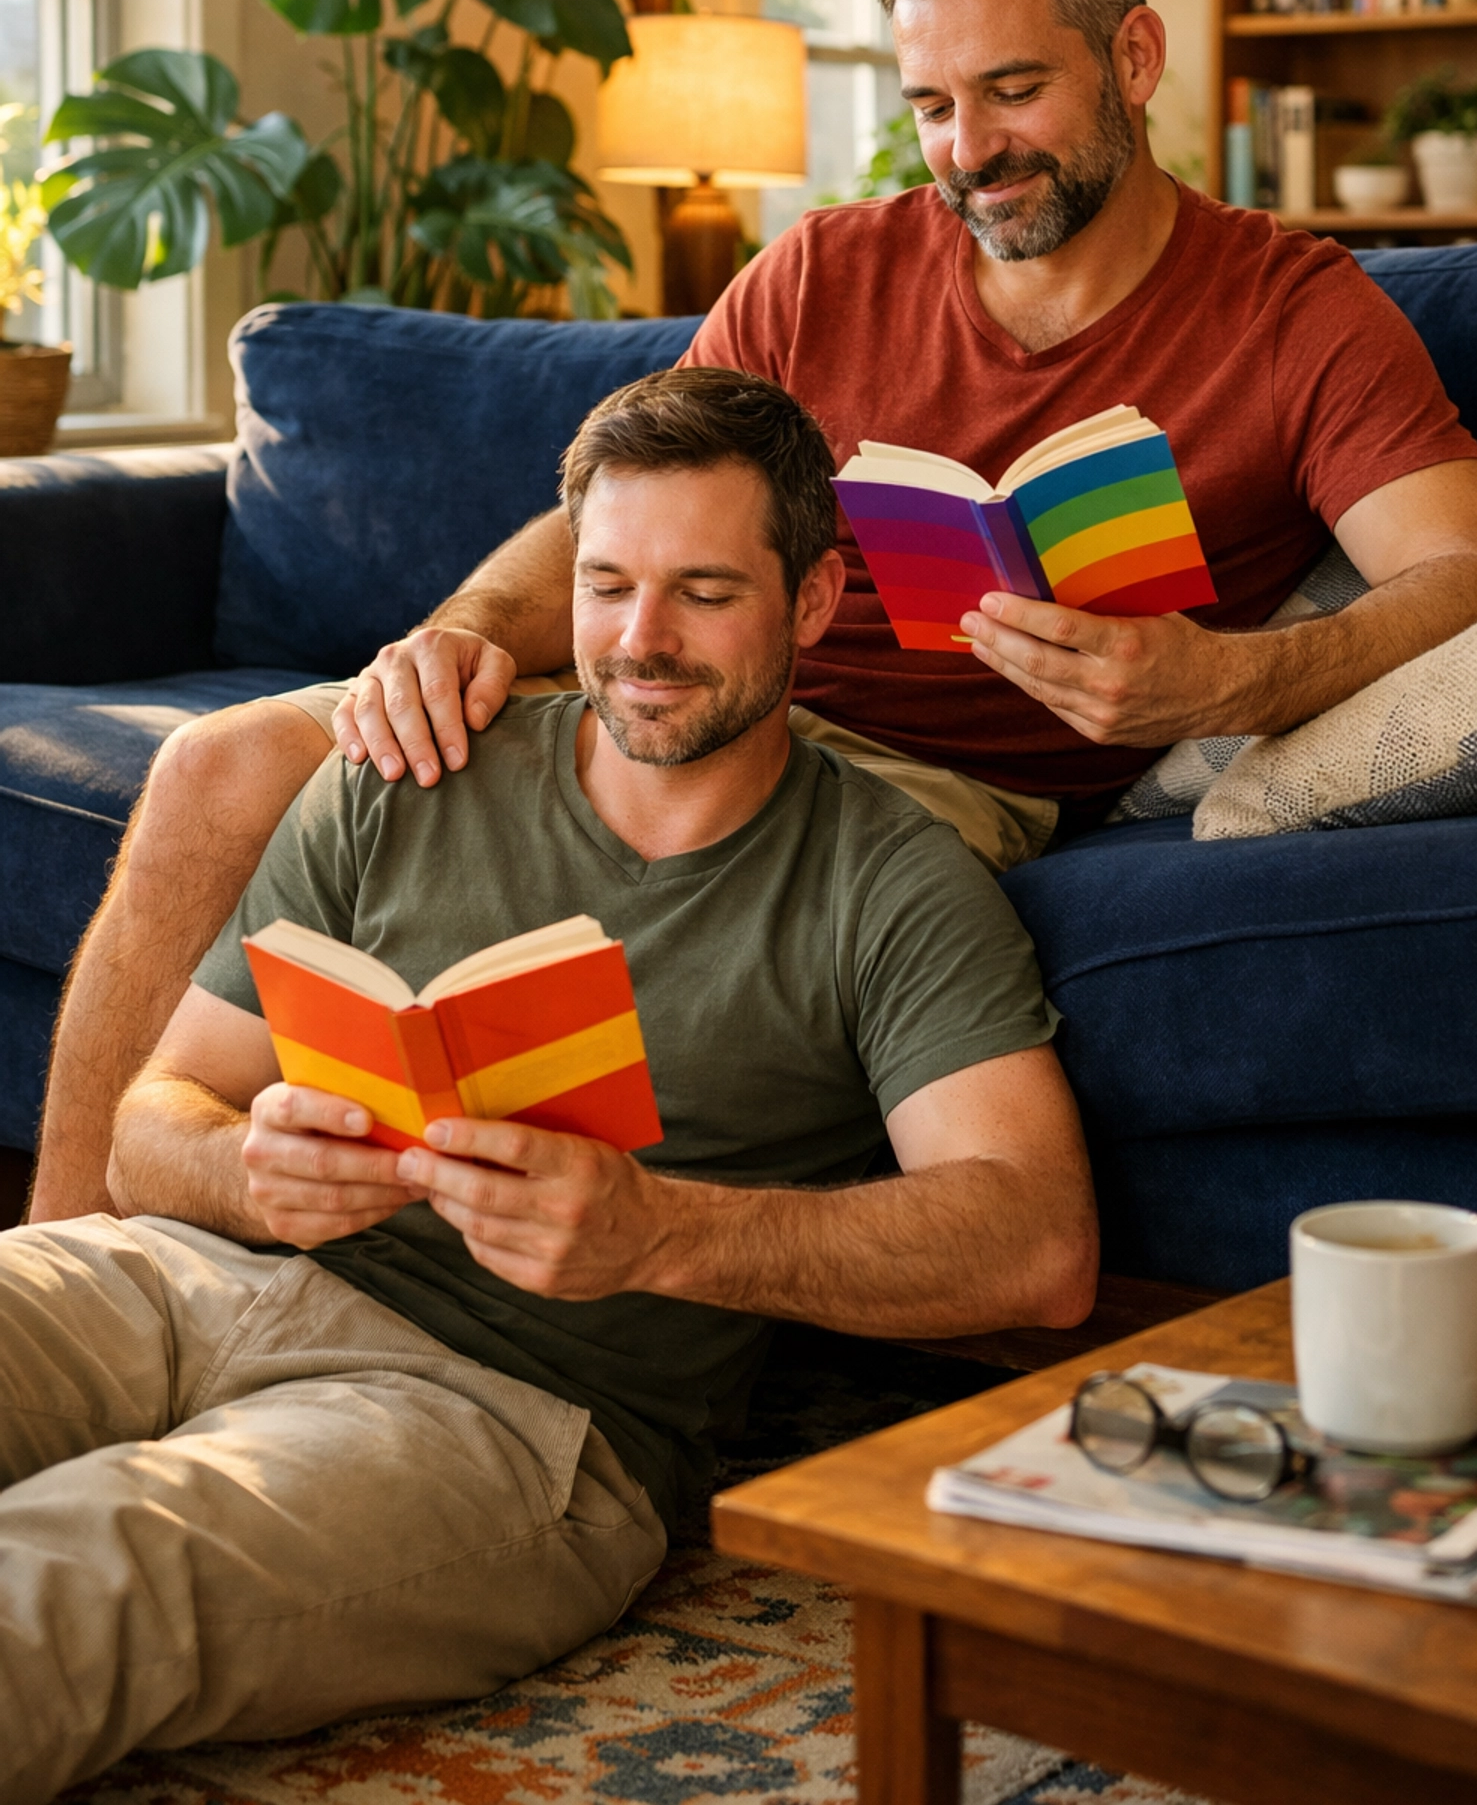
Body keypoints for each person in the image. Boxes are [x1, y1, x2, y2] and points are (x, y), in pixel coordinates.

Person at [31, 0, 1477, 1221]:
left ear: (1133, 58)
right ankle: (58, 1265)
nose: (970, 153)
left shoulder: (1295, 308)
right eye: (933, 106)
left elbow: (1476, 572)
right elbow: (618, 517)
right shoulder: (825, 270)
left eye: (1013, 92)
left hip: (932, 778)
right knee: (215, 762)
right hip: (684, 677)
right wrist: (470, 630)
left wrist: (1231, 684)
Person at [0, 368, 1096, 1798]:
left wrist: (664, 1233)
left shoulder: (890, 884)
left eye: (705, 591)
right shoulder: (406, 768)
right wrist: (243, 1168)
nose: (641, 642)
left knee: (61, 1584)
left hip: (504, 1420)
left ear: (815, 603)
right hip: (187, 1277)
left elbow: (1040, 1244)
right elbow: (156, 1122)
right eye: (607, 586)